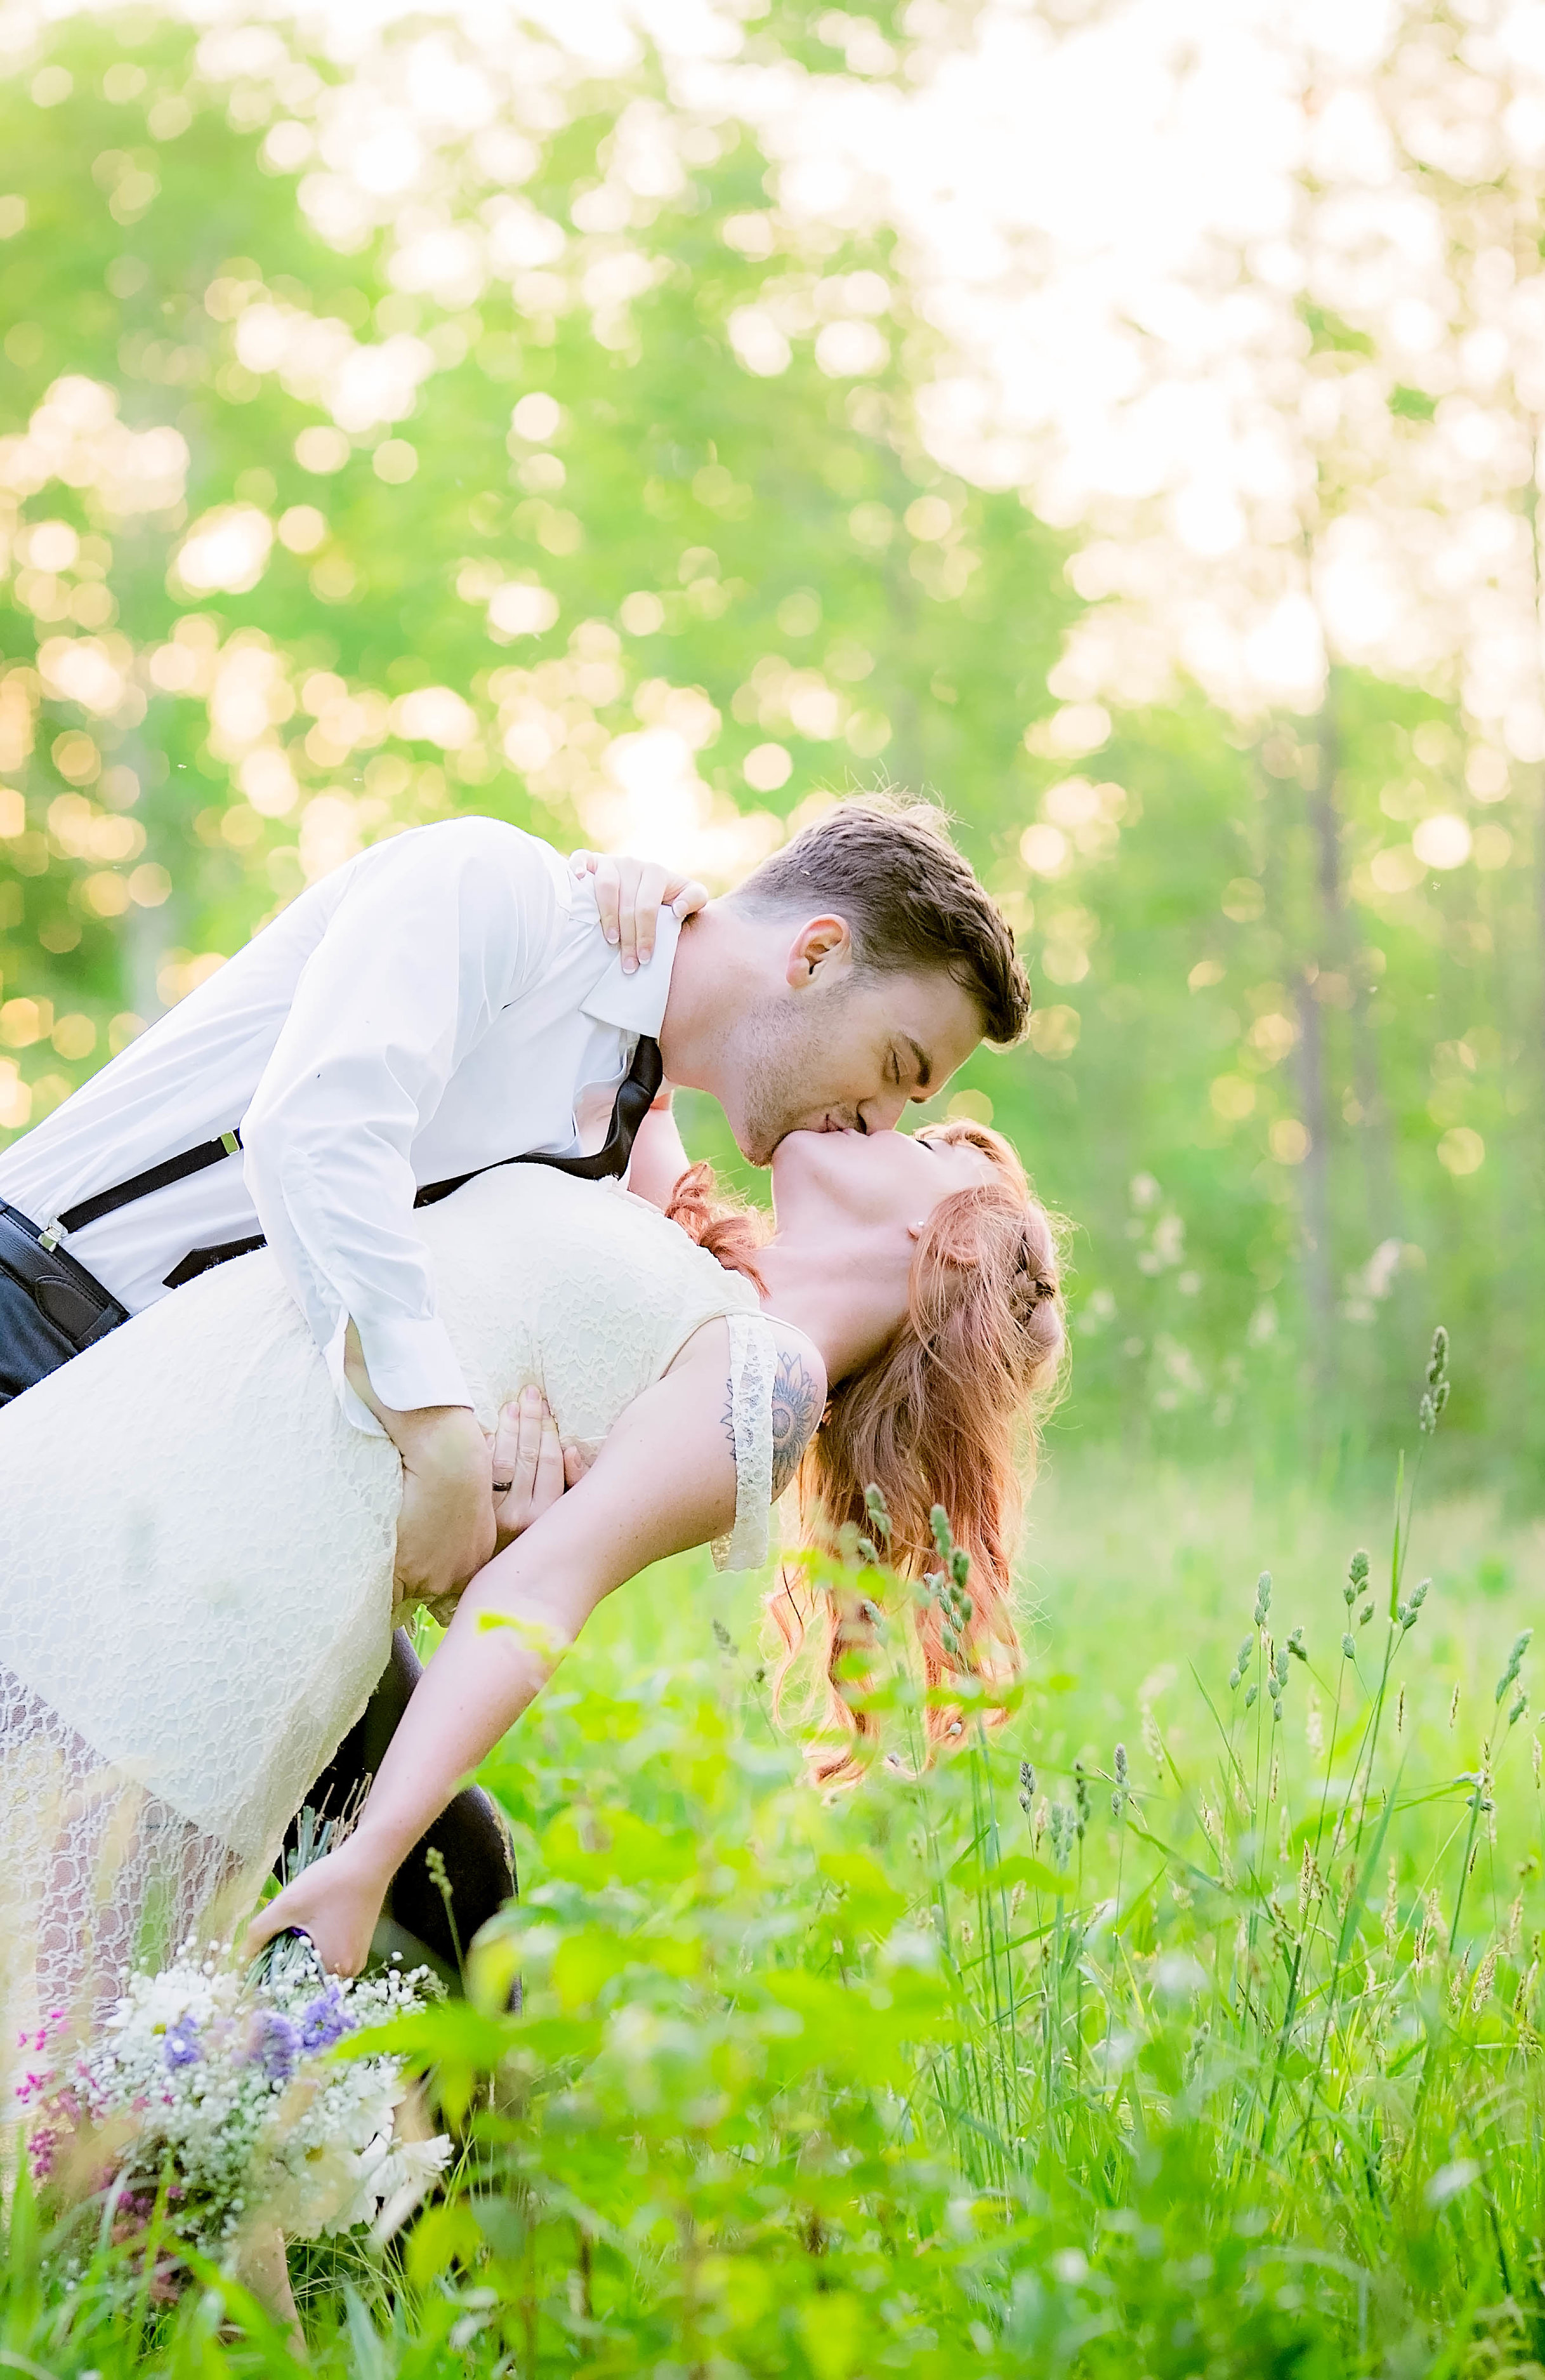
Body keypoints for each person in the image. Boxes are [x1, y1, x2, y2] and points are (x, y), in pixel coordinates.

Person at [0, 797, 1033, 1980]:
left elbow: (527, 1398)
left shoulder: (606, 1141)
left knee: (450, 1894)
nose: (885, 1118)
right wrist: (439, 1441)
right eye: (900, 1071)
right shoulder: (502, 895)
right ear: (814, 954)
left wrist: (503, 1488)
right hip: (44, 1321)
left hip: (225, 1474)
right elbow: (324, 1130)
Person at [0, 1107, 1060, 2049]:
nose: (876, 1106)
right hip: (149, 1447)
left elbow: (539, 1590)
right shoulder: (690, 1244)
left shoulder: (771, 1381)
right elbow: (667, 1025)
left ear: (951, 1245)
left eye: (921, 1138)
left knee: (62, 2077)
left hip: (247, 1590)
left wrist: (374, 1851)